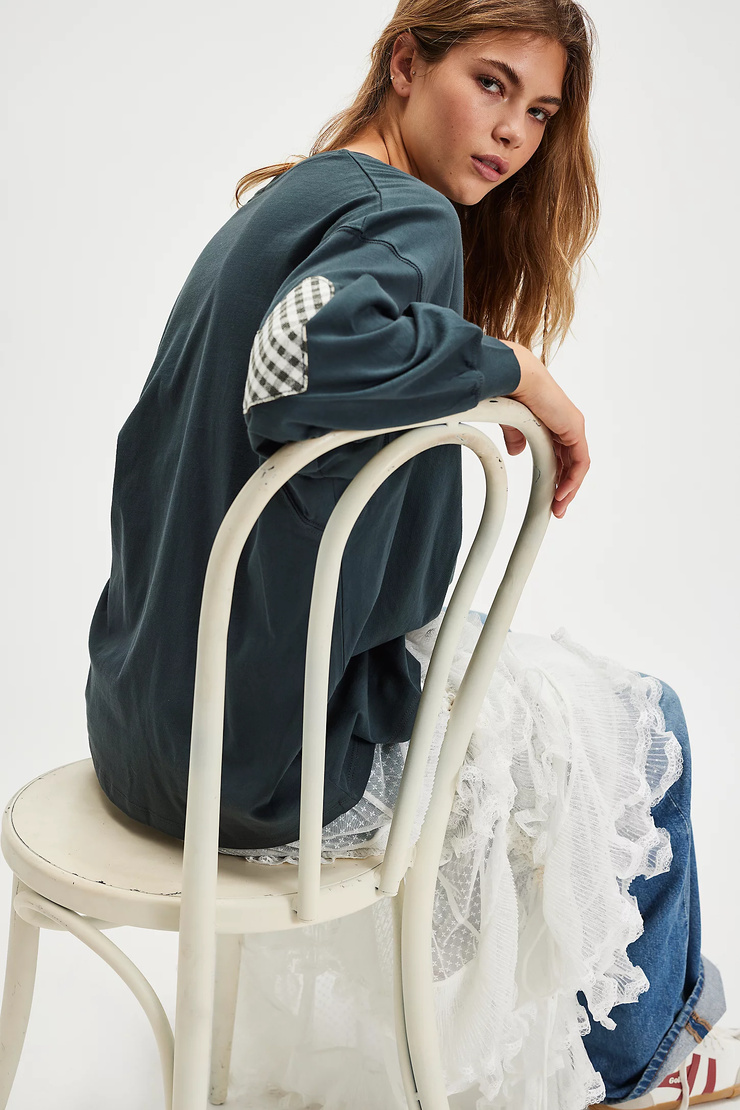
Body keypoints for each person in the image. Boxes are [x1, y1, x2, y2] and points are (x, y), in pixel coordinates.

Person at [83, 1, 738, 1107]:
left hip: (145, 726)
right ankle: (646, 1067)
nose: (512, 133)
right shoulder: (407, 212)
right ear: (403, 63)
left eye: (540, 112)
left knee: (541, 709)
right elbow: (299, 357)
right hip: (264, 765)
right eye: (489, 84)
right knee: (653, 723)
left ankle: (652, 1011)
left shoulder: (292, 198)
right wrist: (513, 369)